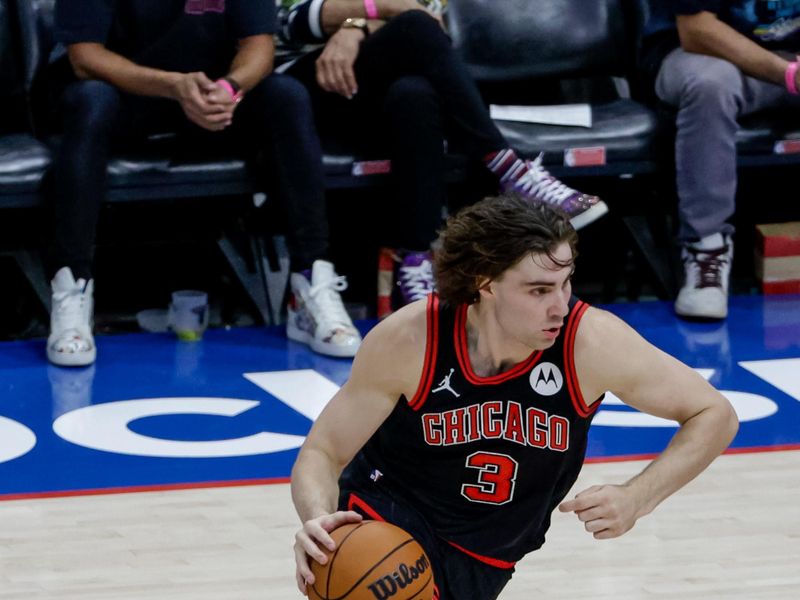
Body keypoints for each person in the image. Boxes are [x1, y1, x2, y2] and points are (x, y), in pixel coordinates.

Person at [290, 194, 738, 599]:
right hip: (387, 513)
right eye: (539, 290)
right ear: (485, 283)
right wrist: (318, 521)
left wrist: (638, 497)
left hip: (488, 550)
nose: (560, 305)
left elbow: (713, 413)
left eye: (566, 283)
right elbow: (323, 452)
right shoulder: (411, 339)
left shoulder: (592, 344)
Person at [47, 0, 361, 366]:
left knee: (286, 96)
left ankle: (310, 282)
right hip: (121, 92)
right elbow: (85, 58)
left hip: (205, 93)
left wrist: (231, 88)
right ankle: (72, 287)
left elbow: (258, 45)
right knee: (91, 100)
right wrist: (173, 86)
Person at [276, 0, 608, 307]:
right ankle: (511, 169)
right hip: (301, 92)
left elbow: (435, 21)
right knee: (415, 28)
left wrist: (354, 26)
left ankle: (417, 262)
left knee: (415, 92)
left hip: (382, 92)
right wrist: (379, 12)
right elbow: (292, 21)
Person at [640, 0, 800, 319]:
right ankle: (706, 251)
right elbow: (697, 31)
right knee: (711, 85)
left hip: (789, 59)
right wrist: (789, 74)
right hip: (702, 56)